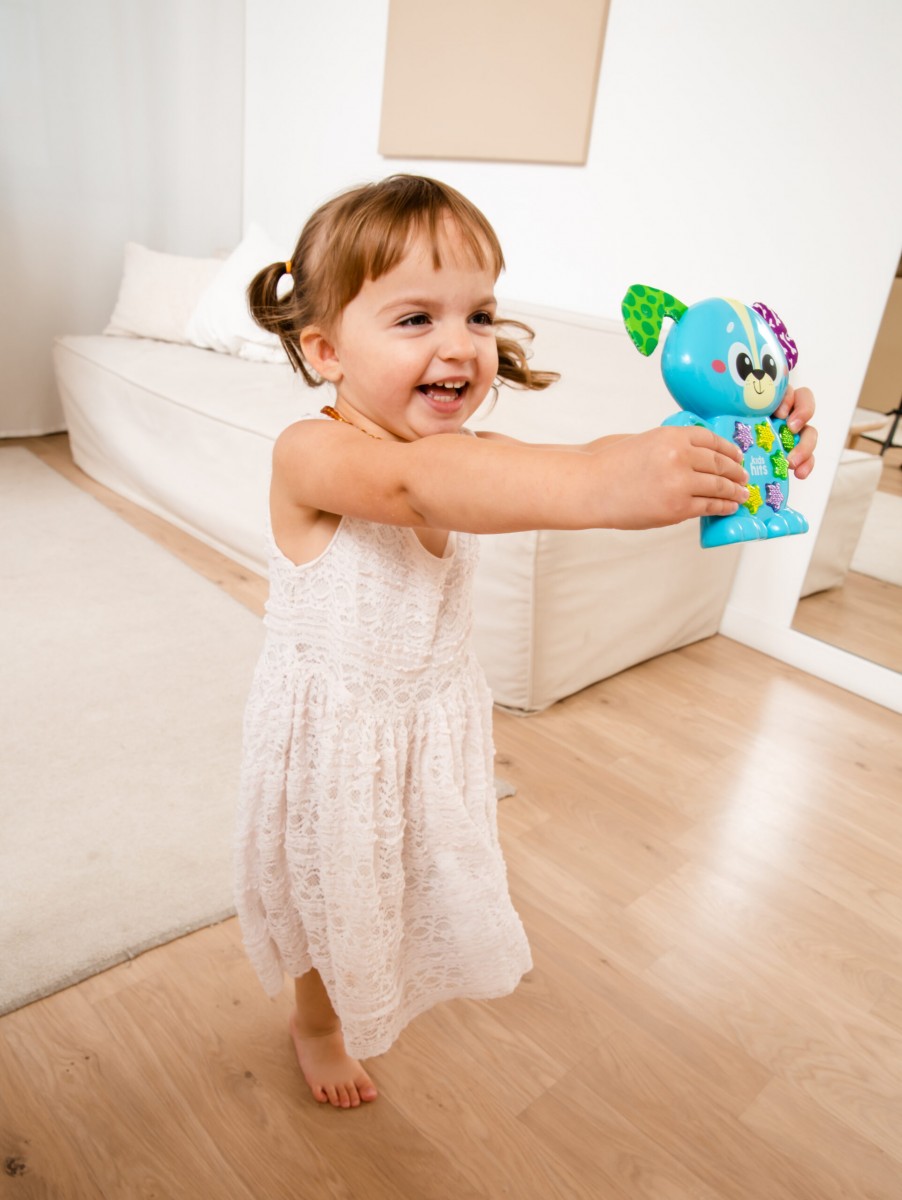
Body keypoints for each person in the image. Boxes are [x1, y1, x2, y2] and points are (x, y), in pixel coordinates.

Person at [234, 174, 816, 1110]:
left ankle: (366, 978)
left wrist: (732, 436)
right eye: (416, 318)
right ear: (326, 350)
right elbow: (421, 488)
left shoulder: (460, 450)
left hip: (426, 722)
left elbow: (537, 462)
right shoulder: (312, 452)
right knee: (330, 886)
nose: (460, 344)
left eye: (479, 314)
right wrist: (604, 488)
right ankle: (317, 1021)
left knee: (400, 877)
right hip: (339, 740)